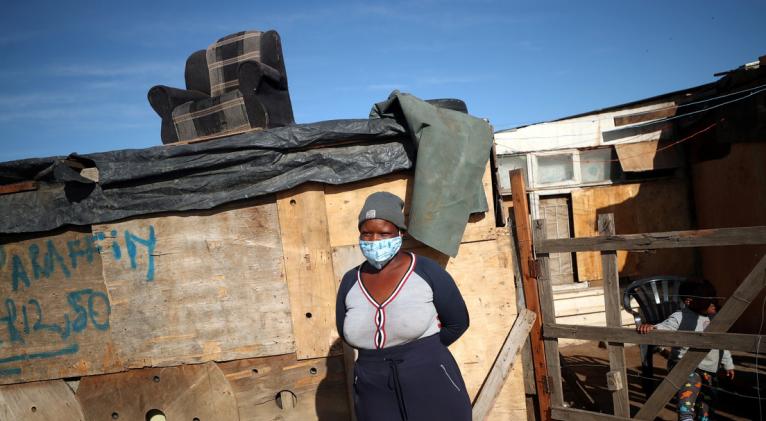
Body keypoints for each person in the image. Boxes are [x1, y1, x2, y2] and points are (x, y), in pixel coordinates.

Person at [335, 191, 472, 421]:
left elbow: (458, 322)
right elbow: (345, 331)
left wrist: (423, 355)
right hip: (373, 391)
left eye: (383, 233)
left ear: (400, 233)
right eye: (366, 234)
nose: (374, 241)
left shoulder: (426, 271)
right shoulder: (351, 281)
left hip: (431, 383)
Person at [637, 281, 735, 421]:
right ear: (689, 301)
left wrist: (728, 363)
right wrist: (652, 328)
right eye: (707, 299)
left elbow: (722, 344)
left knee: (706, 408)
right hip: (685, 367)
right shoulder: (681, 316)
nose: (714, 302)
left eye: (713, 297)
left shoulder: (715, 318)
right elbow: (665, 327)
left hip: (710, 370)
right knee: (686, 404)